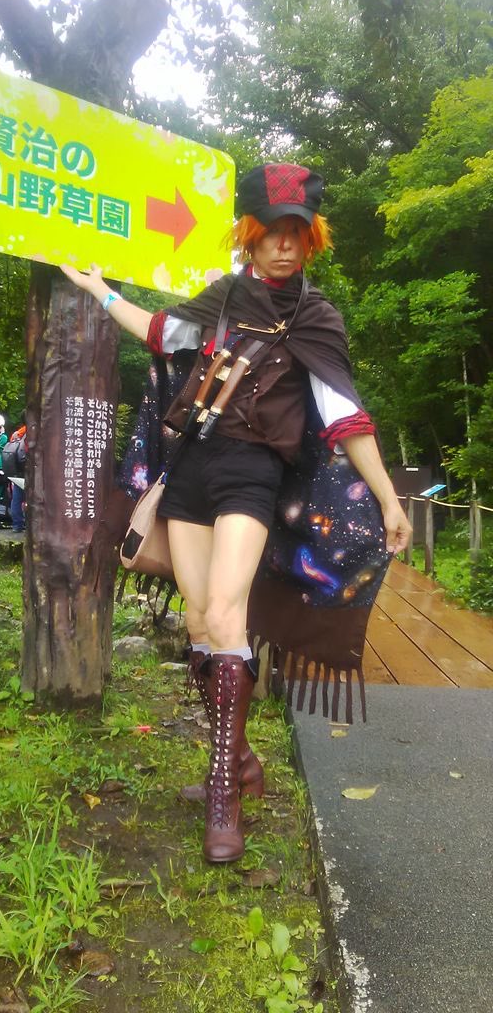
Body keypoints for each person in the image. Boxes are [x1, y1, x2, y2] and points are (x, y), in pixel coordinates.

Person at [61, 163, 412, 864]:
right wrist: (101, 291)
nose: (285, 245)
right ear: (249, 235)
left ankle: (222, 789)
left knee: (226, 613)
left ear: (311, 239)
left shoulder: (315, 317)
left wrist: (387, 496)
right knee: (199, 620)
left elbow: (345, 416)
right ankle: (241, 758)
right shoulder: (223, 298)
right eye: (272, 232)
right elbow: (160, 332)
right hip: (192, 467)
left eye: (297, 234)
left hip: (254, 475)